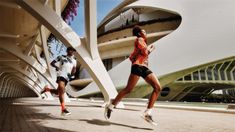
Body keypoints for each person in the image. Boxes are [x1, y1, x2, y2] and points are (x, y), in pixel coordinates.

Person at [104, 26, 162, 125]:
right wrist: (150, 50)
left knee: (157, 87)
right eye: (144, 31)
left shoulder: (142, 42)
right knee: (128, 89)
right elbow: (144, 52)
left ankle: (147, 113)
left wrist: (146, 51)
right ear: (139, 33)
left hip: (144, 67)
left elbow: (133, 56)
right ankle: (110, 106)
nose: (145, 32)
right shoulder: (139, 40)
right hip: (138, 67)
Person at [41, 46, 77, 116]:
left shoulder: (74, 60)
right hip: (60, 74)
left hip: (67, 77)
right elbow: (52, 63)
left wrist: (72, 74)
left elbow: (74, 69)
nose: (72, 52)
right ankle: (63, 109)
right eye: (70, 50)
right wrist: (56, 67)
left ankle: (47, 89)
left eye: (73, 51)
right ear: (67, 51)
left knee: (58, 92)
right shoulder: (61, 57)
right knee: (62, 90)